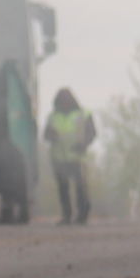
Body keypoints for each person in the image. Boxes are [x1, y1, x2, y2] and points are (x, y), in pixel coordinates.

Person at [45, 87, 98, 224]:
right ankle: (66, 215)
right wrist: (52, 136)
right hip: (59, 157)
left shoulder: (83, 114)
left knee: (80, 187)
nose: (63, 102)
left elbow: (92, 132)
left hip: (77, 157)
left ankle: (82, 214)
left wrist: (84, 144)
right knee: (63, 188)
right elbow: (46, 135)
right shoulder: (53, 116)